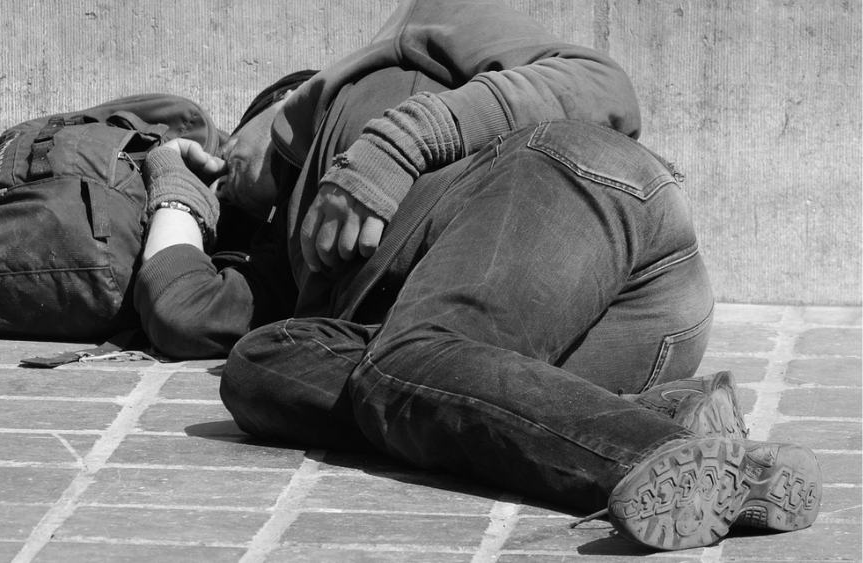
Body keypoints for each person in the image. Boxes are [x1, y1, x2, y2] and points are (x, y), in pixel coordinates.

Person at [135, 0, 822, 551]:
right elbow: (182, 311)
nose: (223, 171)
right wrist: (174, 187)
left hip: (581, 195)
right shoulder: (290, 250)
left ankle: (666, 454)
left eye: (225, 151)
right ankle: (658, 419)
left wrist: (397, 144)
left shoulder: (402, 42)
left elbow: (602, 85)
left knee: (405, 360)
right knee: (261, 367)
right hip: (576, 354)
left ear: (278, 109)